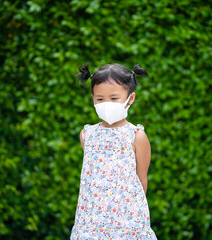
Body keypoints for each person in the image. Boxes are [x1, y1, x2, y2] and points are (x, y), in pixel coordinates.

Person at [70, 63, 157, 239]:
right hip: (90, 221)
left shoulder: (136, 136)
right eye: (100, 99)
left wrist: (132, 216)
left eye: (114, 98)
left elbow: (141, 180)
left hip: (128, 222)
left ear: (130, 99)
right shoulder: (87, 135)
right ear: (93, 98)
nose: (106, 104)